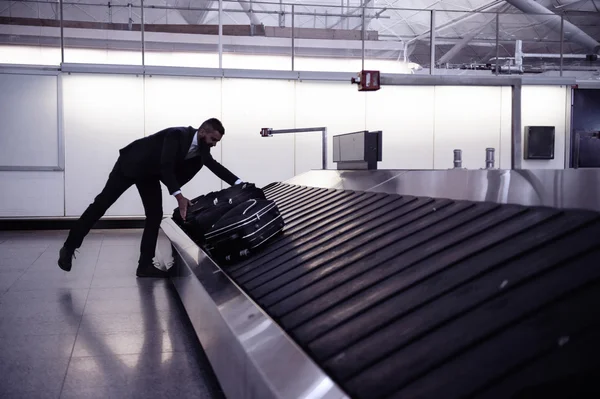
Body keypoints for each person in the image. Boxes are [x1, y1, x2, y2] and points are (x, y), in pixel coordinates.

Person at [58, 118, 242, 278]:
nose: (214, 144)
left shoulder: (202, 149)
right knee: (101, 204)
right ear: (203, 132)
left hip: (150, 174)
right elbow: (166, 165)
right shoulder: (177, 135)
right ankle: (69, 246)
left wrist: (239, 183)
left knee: (155, 215)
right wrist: (178, 196)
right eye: (213, 140)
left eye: (217, 141)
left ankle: (144, 265)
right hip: (131, 164)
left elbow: (215, 166)